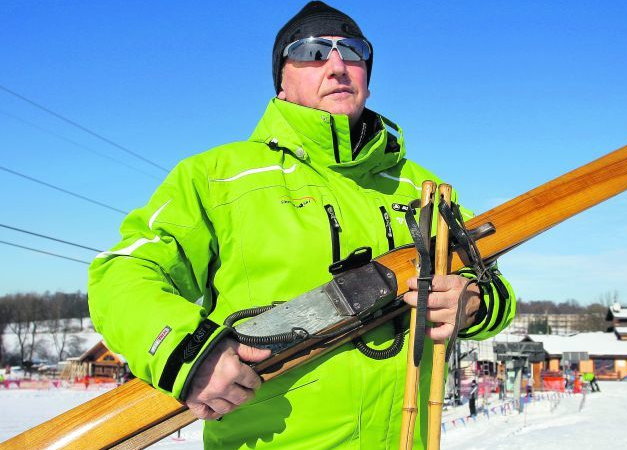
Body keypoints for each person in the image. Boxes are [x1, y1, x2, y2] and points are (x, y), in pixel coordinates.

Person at [87, 2, 515, 448]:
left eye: (352, 51)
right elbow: (122, 271)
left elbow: (491, 283)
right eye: (312, 52)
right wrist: (188, 350)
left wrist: (475, 303)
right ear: (282, 82)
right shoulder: (216, 176)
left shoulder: (422, 186)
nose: (336, 66)